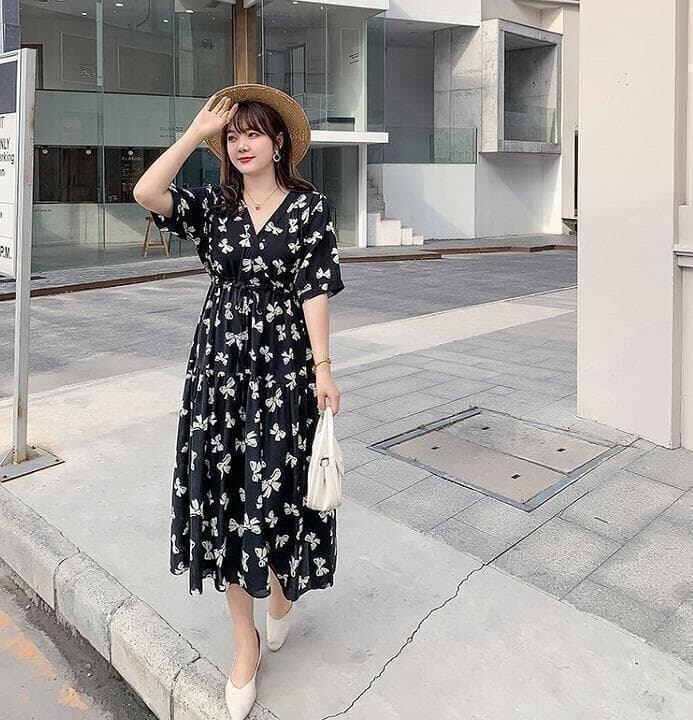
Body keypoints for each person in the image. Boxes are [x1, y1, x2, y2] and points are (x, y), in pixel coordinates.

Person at [132, 84, 344, 720]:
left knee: (275, 490)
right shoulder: (214, 206)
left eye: (252, 133)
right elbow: (146, 192)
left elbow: (314, 289)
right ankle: (243, 641)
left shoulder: (309, 209)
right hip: (220, 367)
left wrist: (323, 369)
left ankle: (280, 587)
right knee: (226, 494)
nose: (241, 144)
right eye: (232, 136)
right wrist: (194, 134)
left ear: (278, 143)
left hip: (282, 368)